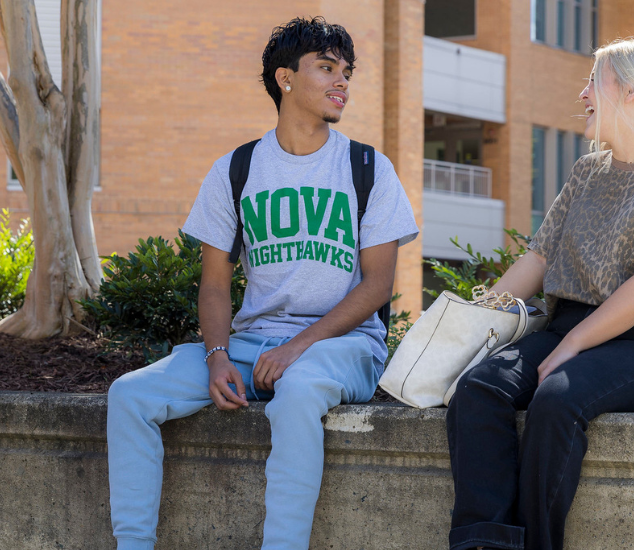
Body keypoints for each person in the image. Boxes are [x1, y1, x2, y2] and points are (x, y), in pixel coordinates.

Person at [105, 16, 419, 550]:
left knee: (296, 393)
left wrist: (300, 346)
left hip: (345, 346)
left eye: (347, 71)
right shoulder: (237, 169)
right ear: (285, 78)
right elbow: (214, 285)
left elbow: (377, 287)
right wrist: (217, 356)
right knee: (129, 396)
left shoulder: (369, 167)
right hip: (252, 346)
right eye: (326, 68)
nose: (342, 81)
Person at [445, 38, 634, 550]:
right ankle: (484, 544)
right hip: (568, 329)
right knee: (479, 390)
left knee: (557, 401)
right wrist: (469, 323)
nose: (581, 93)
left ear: (629, 91)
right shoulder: (588, 171)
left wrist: (572, 346)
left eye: (592, 81)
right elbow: (538, 258)